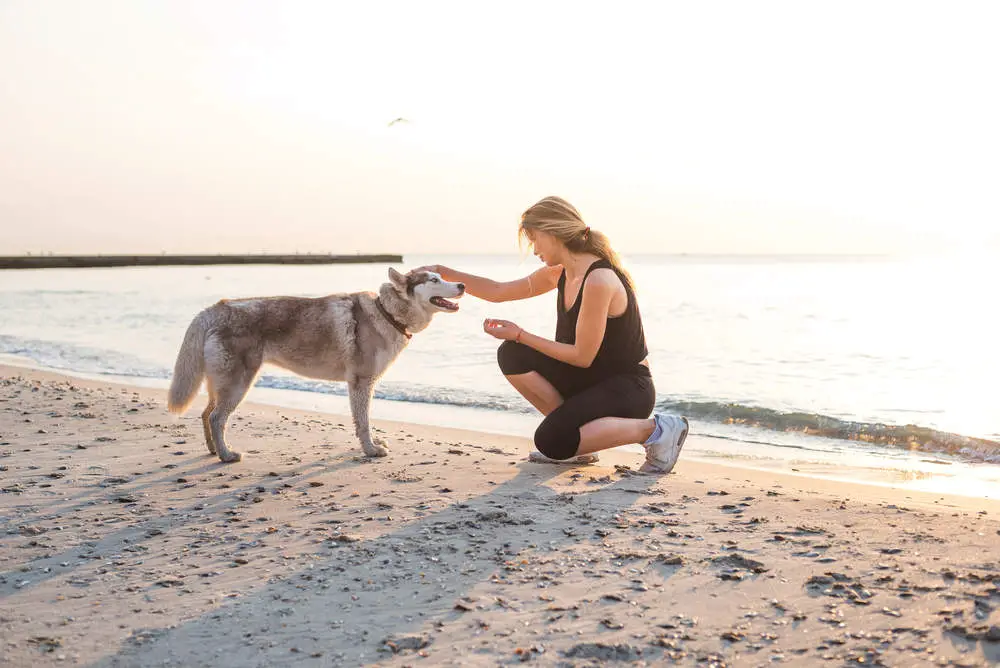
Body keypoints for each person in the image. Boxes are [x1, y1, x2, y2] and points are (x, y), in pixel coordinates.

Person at [417, 196, 688, 473]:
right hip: (589, 383)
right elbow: (498, 291)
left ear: (554, 232)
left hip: (628, 390)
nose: (534, 249)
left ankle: (658, 430)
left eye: (535, 239)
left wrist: (520, 333)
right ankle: (576, 443)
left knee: (550, 440)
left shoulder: (598, 279)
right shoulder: (559, 273)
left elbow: (582, 357)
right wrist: (442, 272)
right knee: (512, 354)